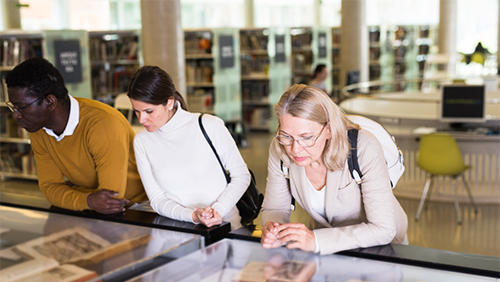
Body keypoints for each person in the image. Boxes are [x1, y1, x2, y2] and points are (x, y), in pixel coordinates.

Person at [261, 84, 408, 254]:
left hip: (380, 248)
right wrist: (274, 229)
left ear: (329, 130)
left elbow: (383, 229)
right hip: (324, 247)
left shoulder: (364, 147)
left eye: (307, 137)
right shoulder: (279, 148)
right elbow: (275, 209)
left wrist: (316, 241)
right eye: (286, 136)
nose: (295, 149)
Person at [5, 58, 147, 214]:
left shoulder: (103, 123)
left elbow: (111, 199)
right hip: (92, 211)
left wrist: (74, 193)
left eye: (21, 108)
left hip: (140, 209)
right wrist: (89, 199)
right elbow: (50, 189)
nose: (16, 116)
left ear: (50, 102)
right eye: (13, 107)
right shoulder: (38, 128)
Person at [128, 66, 251, 230]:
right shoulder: (142, 141)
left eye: (149, 111)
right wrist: (193, 216)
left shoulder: (208, 125)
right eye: (137, 112)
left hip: (225, 228)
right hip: (177, 233)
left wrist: (217, 211)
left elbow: (241, 175)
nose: (142, 119)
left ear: (169, 102)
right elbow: (157, 199)